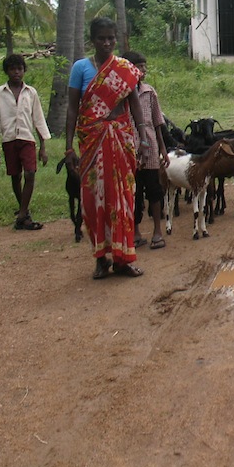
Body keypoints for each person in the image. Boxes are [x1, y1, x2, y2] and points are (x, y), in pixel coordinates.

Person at [64, 17, 150, 280]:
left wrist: (143, 136)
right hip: (91, 140)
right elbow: (72, 108)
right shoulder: (80, 68)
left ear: (116, 38)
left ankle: (123, 259)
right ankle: (101, 259)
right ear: (93, 40)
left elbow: (134, 103)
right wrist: (68, 147)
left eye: (111, 38)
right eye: (101, 38)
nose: (107, 42)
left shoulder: (123, 68)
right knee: (93, 201)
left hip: (121, 139)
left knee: (123, 198)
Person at [0, 53, 51, 230]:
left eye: (19, 69)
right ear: (7, 71)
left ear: (24, 71)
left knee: (30, 173)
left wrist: (43, 147)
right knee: (15, 175)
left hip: (27, 139)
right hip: (9, 139)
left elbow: (38, 119)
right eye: (12, 69)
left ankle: (22, 213)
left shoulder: (31, 92)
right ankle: (25, 213)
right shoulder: (0, 93)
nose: (16, 72)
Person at [121, 50, 169, 250]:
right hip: (128, 148)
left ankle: (157, 231)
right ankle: (136, 232)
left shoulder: (149, 92)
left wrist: (163, 150)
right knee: (133, 193)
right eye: (139, 66)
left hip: (149, 146)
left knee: (154, 190)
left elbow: (158, 123)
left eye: (144, 66)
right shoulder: (121, 94)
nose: (143, 70)